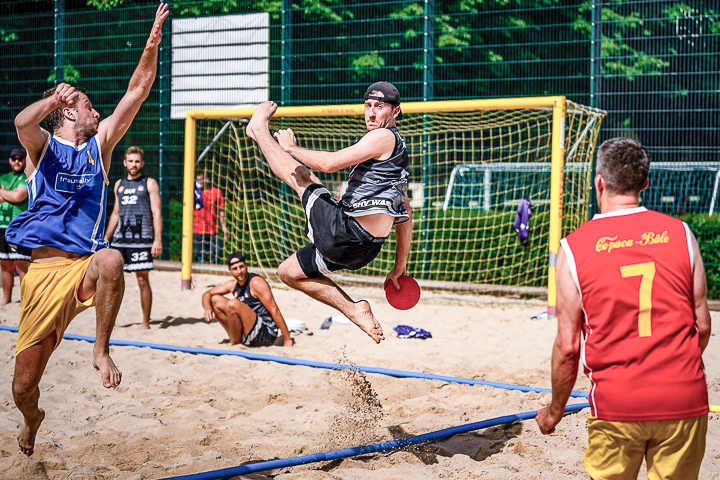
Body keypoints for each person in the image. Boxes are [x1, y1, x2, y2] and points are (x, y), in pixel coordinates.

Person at [6, 3, 169, 457]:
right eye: (86, 104)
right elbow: (23, 122)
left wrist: (152, 40)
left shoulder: (101, 146)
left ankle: (101, 350)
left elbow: (137, 90)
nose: (95, 109)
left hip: (86, 266)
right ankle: (33, 418)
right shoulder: (43, 147)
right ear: (67, 113)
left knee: (114, 258)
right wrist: (53, 101)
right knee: (22, 386)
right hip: (42, 274)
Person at [536, 137, 711, 480]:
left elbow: (569, 347)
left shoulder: (573, 248)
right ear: (645, 183)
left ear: (599, 181)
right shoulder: (682, 234)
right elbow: (702, 326)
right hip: (684, 398)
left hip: (618, 404)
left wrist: (555, 411)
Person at [245, 81, 413, 344]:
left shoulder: (383, 137)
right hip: (365, 250)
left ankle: (258, 130)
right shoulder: (400, 158)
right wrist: (399, 265)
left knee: (302, 178)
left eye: (379, 107)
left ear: (395, 112)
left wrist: (291, 148)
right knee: (288, 272)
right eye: (368, 106)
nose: (371, 113)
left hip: (345, 235)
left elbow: (328, 164)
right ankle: (353, 309)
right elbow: (405, 217)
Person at [104, 145, 163, 329]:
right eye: (130, 161)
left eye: (137, 161)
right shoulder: (119, 184)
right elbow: (115, 213)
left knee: (142, 280)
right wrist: (107, 237)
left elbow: (156, 212)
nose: (134, 164)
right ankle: (109, 321)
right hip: (120, 240)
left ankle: (145, 322)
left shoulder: (149, 183)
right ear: (124, 163)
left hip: (142, 239)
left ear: (142, 163)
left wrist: (157, 239)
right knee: (113, 281)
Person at [202, 252, 293, 347]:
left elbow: (275, 310)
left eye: (241, 267)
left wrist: (287, 339)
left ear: (246, 266)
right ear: (230, 270)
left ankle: (236, 344)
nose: (239, 271)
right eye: (235, 269)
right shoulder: (233, 284)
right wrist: (208, 309)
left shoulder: (256, 282)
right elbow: (207, 294)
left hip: (266, 333)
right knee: (215, 300)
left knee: (233, 304)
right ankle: (235, 339)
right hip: (249, 329)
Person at [0, 147, 31, 305]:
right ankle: (6, 301)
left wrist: (3, 193)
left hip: (19, 226)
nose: (17, 161)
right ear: (10, 160)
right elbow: (14, 196)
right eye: (14, 158)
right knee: (4, 264)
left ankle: (25, 301)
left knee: (22, 264)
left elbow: (19, 196)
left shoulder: (26, 176)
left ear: (25, 160)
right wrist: (10, 195)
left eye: (20, 158)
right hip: (1, 226)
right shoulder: (3, 177)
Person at [193, 171, 229, 263]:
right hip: (197, 229)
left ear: (207, 180)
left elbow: (221, 211)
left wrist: (224, 227)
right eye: (198, 179)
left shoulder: (216, 192)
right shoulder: (194, 193)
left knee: (217, 252)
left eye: (201, 179)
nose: (199, 182)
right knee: (200, 256)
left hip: (212, 229)